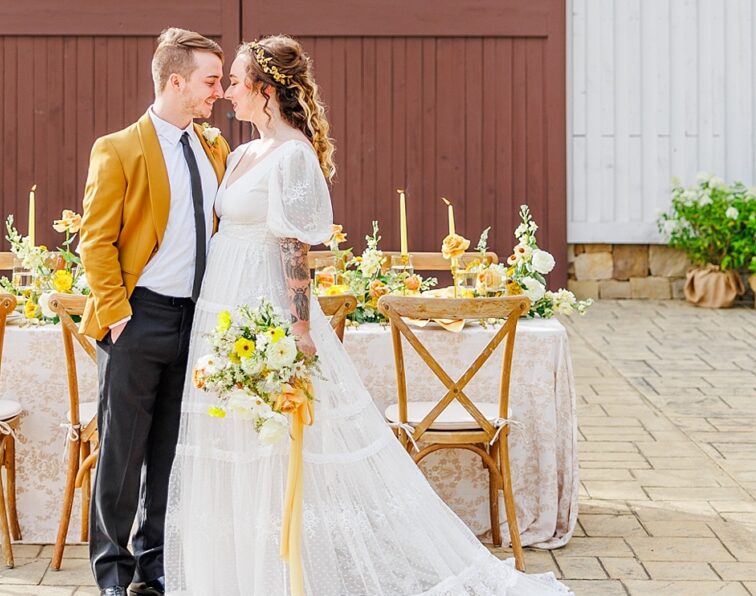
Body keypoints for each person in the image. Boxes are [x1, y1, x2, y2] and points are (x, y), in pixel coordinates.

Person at [162, 35, 572, 595]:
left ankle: (285, 577)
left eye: (235, 81)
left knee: (276, 444)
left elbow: (294, 251)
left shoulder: (294, 157)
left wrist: (300, 329)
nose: (228, 91)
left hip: (265, 311)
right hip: (222, 308)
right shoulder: (239, 154)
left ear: (264, 89)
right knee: (231, 442)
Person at [78, 27, 230, 596]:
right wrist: (119, 316)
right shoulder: (117, 149)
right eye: (210, 80)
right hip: (138, 319)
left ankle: (155, 565)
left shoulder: (212, 147)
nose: (218, 90)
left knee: (171, 452)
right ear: (175, 80)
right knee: (121, 453)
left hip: (195, 321)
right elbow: (95, 242)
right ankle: (112, 574)